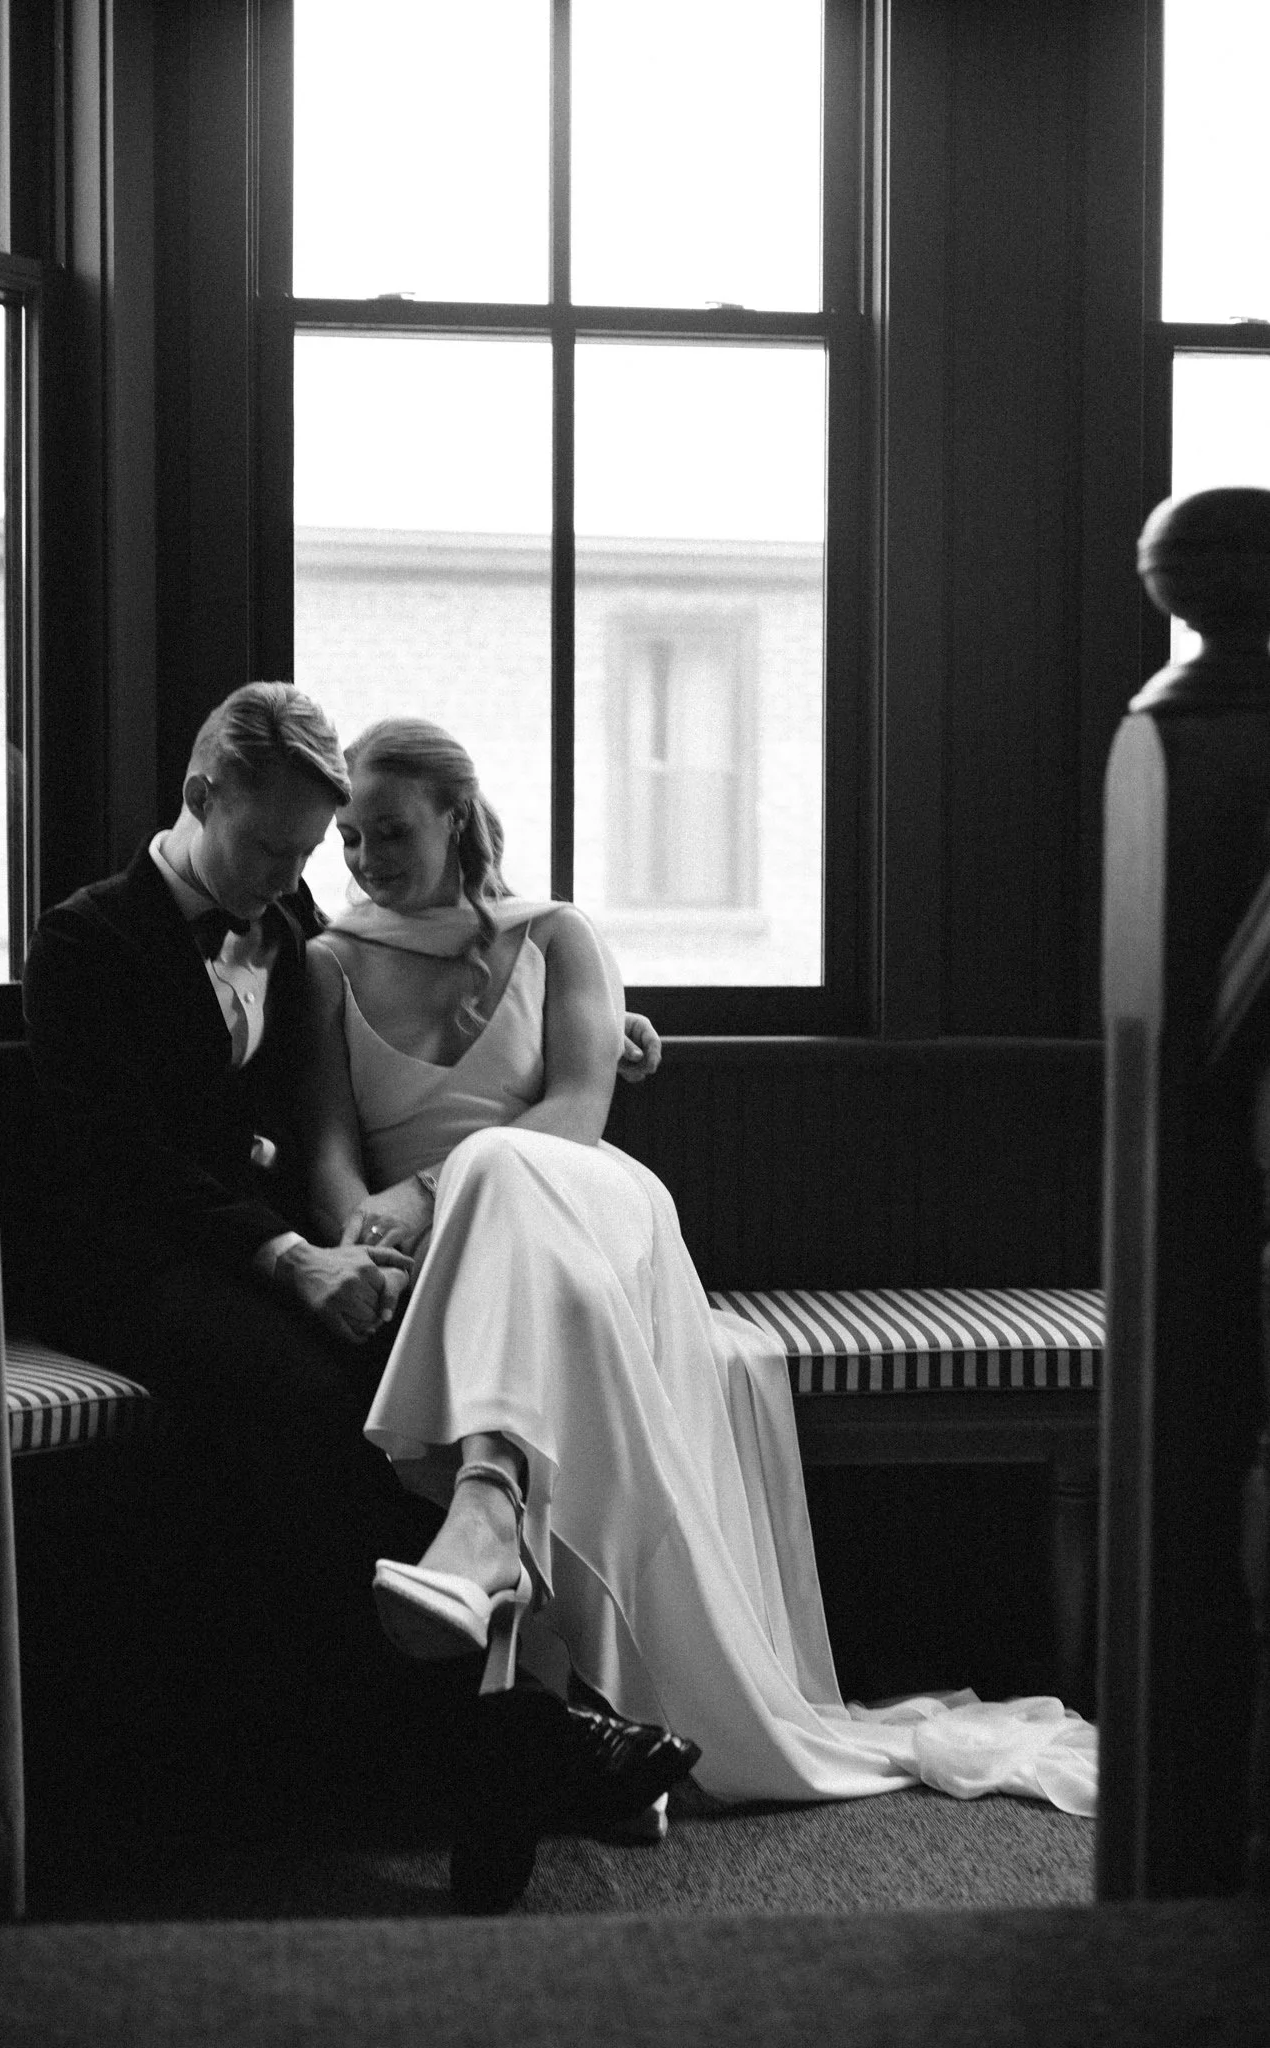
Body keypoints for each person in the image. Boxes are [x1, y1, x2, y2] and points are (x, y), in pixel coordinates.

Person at [297, 716, 1100, 1898]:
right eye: (352, 839)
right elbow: (326, 1151)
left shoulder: (557, 934)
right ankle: (584, 1717)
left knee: (500, 1165)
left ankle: (484, 1520)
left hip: (586, 1204)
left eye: (392, 832)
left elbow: (577, 1109)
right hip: (457, 1258)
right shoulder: (327, 962)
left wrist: (431, 1193)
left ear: (456, 819)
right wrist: (369, 1242)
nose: (367, 859)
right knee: (523, 1262)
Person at [21, 682, 695, 1851]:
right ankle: (519, 1743)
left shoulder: (284, 925)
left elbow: (393, 1011)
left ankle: (495, 1727)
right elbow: (116, 1159)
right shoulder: (85, 937)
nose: (297, 875)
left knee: (435, 1382)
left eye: (307, 853)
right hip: (135, 1264)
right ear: (200, 796)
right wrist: (294, 1257)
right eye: (276, 847)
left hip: (273, 1256)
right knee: (315, 1402)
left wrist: (606, 1033)